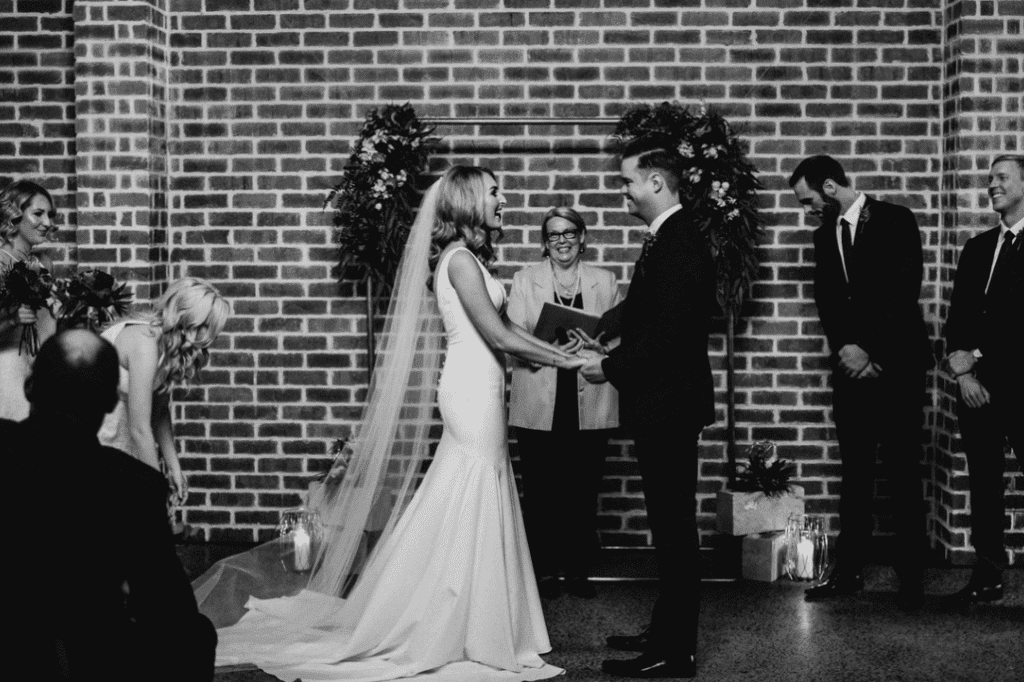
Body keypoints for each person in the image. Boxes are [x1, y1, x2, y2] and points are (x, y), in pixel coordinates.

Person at [196, 166, 583, 682]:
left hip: (484, 386)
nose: (503, 199)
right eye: (494, 192)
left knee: (468, 492)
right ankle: (447, 617)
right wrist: (566, 364)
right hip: (469, 390)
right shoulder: (460, 261)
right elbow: (499, 335)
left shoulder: (469, 259)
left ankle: (472, 615)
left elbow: (512, 329)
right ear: (469, 202)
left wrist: (558, 352)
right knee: (466, 491)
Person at [0, 329, 216, 681]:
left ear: (29, 388)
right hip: (89, 660)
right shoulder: (134, 486)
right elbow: (170, 614)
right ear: (112, 402)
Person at [579, 137, 716, 679]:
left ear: (657, 182)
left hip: (670, 406)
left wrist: (607, 368)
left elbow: (669, 334)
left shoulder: (679, 240)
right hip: (664, 404)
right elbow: (643, 307)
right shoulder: (670, 236)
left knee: (675, 529)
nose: (624, 194)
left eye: (628, 182)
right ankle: (663, 631)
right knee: (668, 526)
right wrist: (596, 331)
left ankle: (676, 651)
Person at [789, 155, 934, 611]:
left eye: (809, 200)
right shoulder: (822, 235)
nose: (807, 210)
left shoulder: (896, 219)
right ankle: (848, 571)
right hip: (851, 369)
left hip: (898, 367)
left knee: (903, 474)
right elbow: (827, 299)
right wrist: (847, 349)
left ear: (830, 188)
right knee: (854, 474)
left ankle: (912, 579)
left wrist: (868, 348)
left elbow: (904, 287)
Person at [508, 206, 622, 599]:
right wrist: (550, 346)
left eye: (569, 232)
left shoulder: (605, 281)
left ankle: (576, 572)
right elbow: (513, 337)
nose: (562, 240)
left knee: (583, 490)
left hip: (589, 396)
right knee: (540, 491)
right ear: (544, 243)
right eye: (553, 234)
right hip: (539, 395)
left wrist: (595, 345)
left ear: (582, 238)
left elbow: (618, 338)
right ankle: (541, 574)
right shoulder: (525, 280)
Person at [941, 154, 1023, 608]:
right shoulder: (978, 247)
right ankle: (987, 574)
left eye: (1002, 177)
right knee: (984, 486)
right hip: (977, 393)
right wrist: (964, 373)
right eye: (989, 177)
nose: (992, 184)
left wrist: (973, 358)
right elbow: (959, 318)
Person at [99, 277, 230, 506]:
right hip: (97, 446)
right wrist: (155, 488)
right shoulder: (144, 341)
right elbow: (140, 427)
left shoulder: (167, 349)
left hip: (121, 446)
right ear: (190, 320)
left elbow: (158, 413)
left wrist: (174, 468)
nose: (212, 338)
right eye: (209, 328)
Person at [0, 179, 58, 420]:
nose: (47, 222)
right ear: (14, 215)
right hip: (6, 372)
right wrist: (12, 320)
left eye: (50, 215)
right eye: (38, 214)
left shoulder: (44, 264)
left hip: (41, 372)